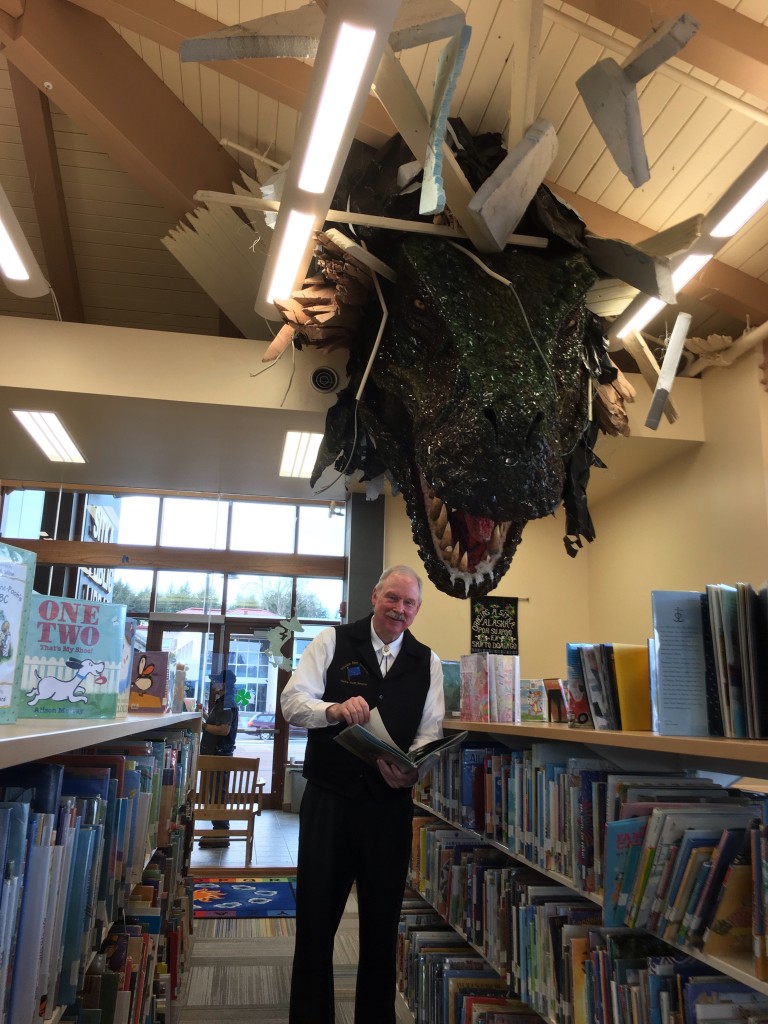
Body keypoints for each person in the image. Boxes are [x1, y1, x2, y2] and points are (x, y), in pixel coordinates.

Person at [281, 565, 444, 1024]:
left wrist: (412, 771)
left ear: (417, 610)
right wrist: (332, 709)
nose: (399, 609)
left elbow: (429, 733)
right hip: (329, 802)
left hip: (388, 810)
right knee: (315, 922)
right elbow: (292, 703)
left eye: (409, 603)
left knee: (380, 925)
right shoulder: (332, 642)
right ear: (375, 596)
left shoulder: (426, 661)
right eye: (392, 598)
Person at [198, 667, 239, 848]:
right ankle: (219, 833)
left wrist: (203, 726)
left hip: (219, 754)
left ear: (224, 683)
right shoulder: (224, 700)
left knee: (218, 794)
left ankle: (221, 835)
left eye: (216, 680)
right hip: (218, 753)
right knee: (217, 793)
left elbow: (224, 729)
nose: (213, 684)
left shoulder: (227, 701)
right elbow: (218, 723)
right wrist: (204, 716)